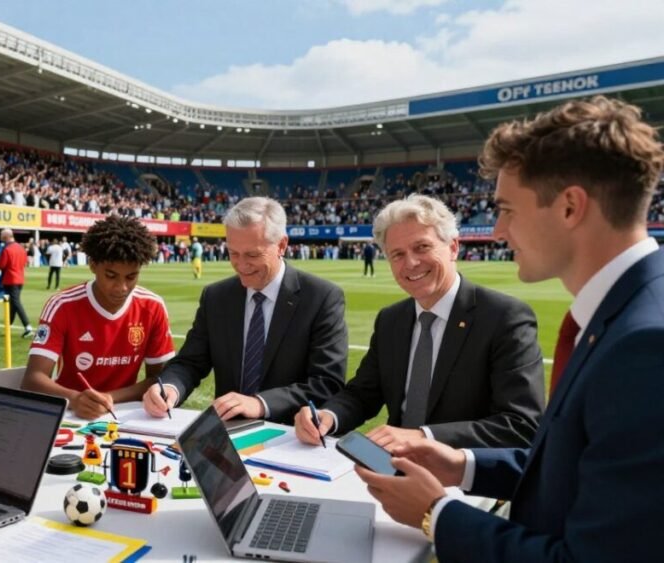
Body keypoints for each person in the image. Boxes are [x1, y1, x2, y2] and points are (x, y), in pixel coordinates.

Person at [356, 97, 664, 562]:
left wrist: (436, 514)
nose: (498, 230)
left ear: (569, 207)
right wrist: (462, 464)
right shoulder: (624, 312)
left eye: (507, 209)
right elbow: (572, 466)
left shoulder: (646, 344)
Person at [293, 195, 544, 450]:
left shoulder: (504, 318)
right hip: (390, 465)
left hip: (461, 472)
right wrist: (328, 416)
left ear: (453, 247)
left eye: (422, 247)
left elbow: (520, 425)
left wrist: (424, 437)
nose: (410, 263)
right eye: (397, 254)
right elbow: (362, 394)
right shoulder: (390, 320)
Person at [142, 197, 348, 424]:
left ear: (281, 245)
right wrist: (169, 387)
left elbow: (326, 382)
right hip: (226, 431)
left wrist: (261, 404)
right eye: (233, 253)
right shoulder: (216, 297)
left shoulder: (321, 298)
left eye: (252, 255)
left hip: (290, 434)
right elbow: (190, 362)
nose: (241, 265)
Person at [24, 216, 175, 419]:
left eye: (131, 277)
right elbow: (33, 379)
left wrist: (109, 398)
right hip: (70, 414)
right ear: (93, 265)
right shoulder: (62, 305)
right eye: (111, 276)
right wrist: (75, 399)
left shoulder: (153, 306)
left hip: (125, 416)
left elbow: (161, 379)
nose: (122, 287)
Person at [0, 228, 34, 338]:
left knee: (15, 303)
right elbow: (25, 262)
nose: (0, 237)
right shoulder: (20, 248)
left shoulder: (7, 249)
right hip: (20, 278)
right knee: (12, 304)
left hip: (10, 279)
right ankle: (9, 326)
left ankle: (27, 326)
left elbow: (2, 264)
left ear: (6, 236)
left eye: (1, 235)